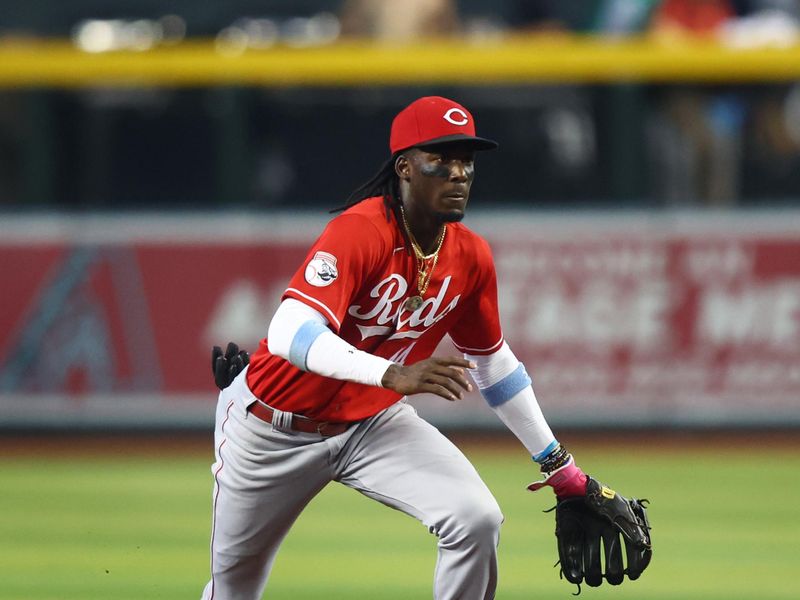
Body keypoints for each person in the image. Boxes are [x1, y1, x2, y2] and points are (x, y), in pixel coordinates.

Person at [202, 96, 651, 600]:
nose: (459, 173)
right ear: (406, 168)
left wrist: (560, 468)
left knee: (475, 519)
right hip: (270, 433)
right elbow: (288, 331)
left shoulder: (470, 255)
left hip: (371, 426)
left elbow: (493, 363)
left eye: (467, 161)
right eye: (442, 158)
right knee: (234, 589)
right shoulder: (361, 230)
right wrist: (393, 375)